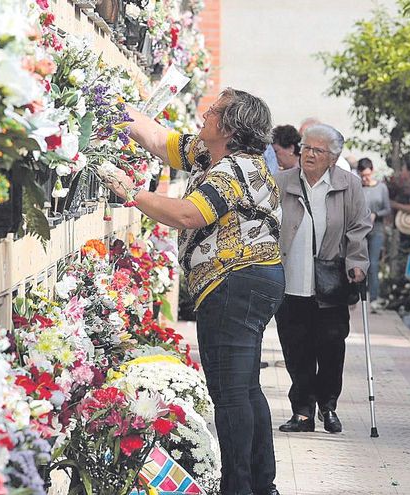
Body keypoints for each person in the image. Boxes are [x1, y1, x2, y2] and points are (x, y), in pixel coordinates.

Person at [101, 88, 284, 495]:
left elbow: (188, 214)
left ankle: (240, 488)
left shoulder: (234, 171)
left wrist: (133, 194)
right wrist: (107, 101)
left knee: (231, 393)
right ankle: (260, 483)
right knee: (245, 389)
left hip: (235, 281)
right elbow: (158, 140)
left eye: (214, 112)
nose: (204, 113)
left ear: (232, 128)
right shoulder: (212, 155)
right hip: (249, 282)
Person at [272, 124, 370, 434]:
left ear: (333, 157)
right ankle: (302, 411)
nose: (309, 154)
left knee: (330, 347)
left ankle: (328, 406)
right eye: (306, 147)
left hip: (330, 281)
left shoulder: (348, 185)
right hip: (290, 280)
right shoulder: (281, 182)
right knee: (296, 348)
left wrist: (357, 262)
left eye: (318, 150)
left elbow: (358, 227)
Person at [357, 158, 391, 310]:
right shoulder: (357, 187)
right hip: (360, 231)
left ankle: (374, 298)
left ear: (372, 172)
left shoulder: (382, 188)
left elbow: (387, 208)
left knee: (374, 265)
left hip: (376, 230)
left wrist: (376, 214)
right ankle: (358, 297)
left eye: (368, 175)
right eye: (363, 176)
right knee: (359, 264)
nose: (365, 178)